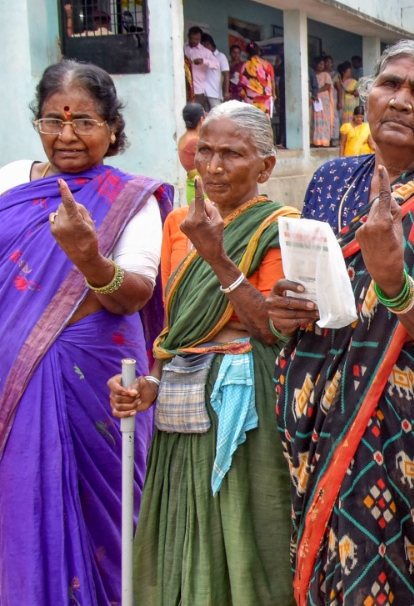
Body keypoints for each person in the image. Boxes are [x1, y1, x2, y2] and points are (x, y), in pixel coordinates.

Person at [269, 40, 414, 605]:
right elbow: (316, 287)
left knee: (408, 570)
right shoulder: (331, 182)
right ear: (366, 99)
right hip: (321, 416)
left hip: (410, 426)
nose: (401, 100)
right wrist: (287, 309)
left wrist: (393, 280)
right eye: (389, 85)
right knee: (332, 567)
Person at [108, 101, 298, 605]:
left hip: (245, 408)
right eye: (206, 151)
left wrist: (216, 254)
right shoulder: (178, 224)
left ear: (265, 165)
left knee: (243, 533)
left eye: (232, 154)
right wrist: (149, 384)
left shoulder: (281, 225)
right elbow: (178, 331)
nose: (213, 167)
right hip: (179, 406)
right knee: (182, 534)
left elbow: (270, 327)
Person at [0, 60, 171, 604]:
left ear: (113, 128)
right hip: (10, 372)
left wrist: (86, 256)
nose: (67, 135)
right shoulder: (11, 181)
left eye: (85, 123)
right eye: (53, 121)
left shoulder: (133, 199)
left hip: (93, 382)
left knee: (108, 514)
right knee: (18, 504)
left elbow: (135, 294)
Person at [186, 26, 221, 110]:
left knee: (195, 114)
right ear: (188, 36)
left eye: (197, 39)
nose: (194, 41)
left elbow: (216, 64)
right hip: (184, 88)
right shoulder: (183, 48)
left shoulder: (205, 52)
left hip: (198, 90)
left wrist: (203, 61)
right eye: (192, 38)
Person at [178, 102, 206, 203]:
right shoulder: (194, 141)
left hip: (193, 184)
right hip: (201, 188)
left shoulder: (183, 138)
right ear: (201, 120)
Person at [239, 43, 275, 117]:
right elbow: (272, 81)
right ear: (258, 51)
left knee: (252, 119)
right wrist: (274, 95)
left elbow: (242, 80)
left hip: (251, 97)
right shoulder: (268, 64)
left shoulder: (246, 65)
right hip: (265, 97)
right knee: (264, 119)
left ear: (247, 53)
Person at [310, 58, 335, 147]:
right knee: (315, 119)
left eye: (323, 64)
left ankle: (324, 140)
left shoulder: (325, 75)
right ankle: (316, 141)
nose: (321, 66)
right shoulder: (312, 74)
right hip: (314, 99)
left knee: (324, 119)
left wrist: (317, 91)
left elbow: (328, 85)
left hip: (324, 100)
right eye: (320, 64)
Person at [201, 33, 230, 103]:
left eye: (202, 46)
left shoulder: (220, 56)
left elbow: (226, 75)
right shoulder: (204, 58)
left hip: (215, 94)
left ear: (207, 44)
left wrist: (226, 92)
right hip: (204, 93)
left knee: (215, 113)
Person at [338, 61, 359, 125]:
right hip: (343, 106)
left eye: (350, 72)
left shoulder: (354, 82)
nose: (349, 73)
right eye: (348, 72)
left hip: (352, 107)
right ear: (343, 72)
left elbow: (357, 93)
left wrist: (350, 92)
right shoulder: (339, 82)